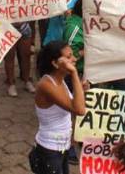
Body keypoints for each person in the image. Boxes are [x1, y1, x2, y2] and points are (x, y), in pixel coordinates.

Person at [29, 40, 87, 174]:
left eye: (72, 55)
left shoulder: (60, 81)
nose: (74, 59)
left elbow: (75, 105)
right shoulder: (46, 84)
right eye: (68, 57)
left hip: (62, 148)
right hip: (49, 151)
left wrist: (81, 90)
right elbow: (79, 110)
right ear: (55, 63)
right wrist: (74, 74)